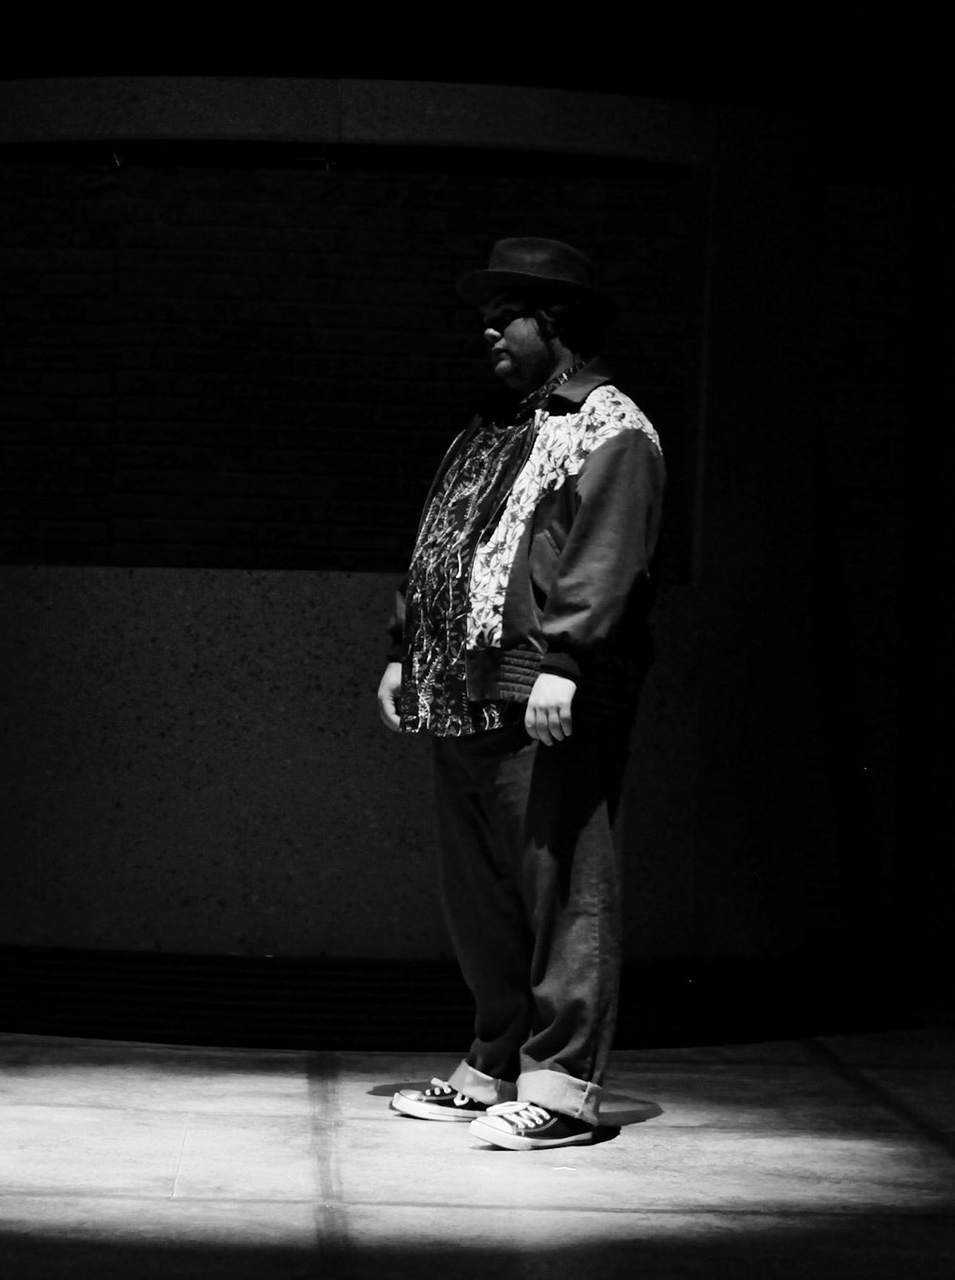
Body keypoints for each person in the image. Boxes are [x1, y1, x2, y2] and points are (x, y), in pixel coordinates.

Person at [378, 237, 664, 1151]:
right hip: (459, 688)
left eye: (510, 315)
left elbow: (605, 555)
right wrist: (403, 649)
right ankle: (494, 1065)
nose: (490, 330)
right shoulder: (493, 425)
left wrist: (564, 663)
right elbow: (440, 541)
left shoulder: (610, 425)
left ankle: (564, 1088)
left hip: (542, 691)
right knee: (481, 895)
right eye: (488, 316)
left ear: (558, 323)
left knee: (561, 888)